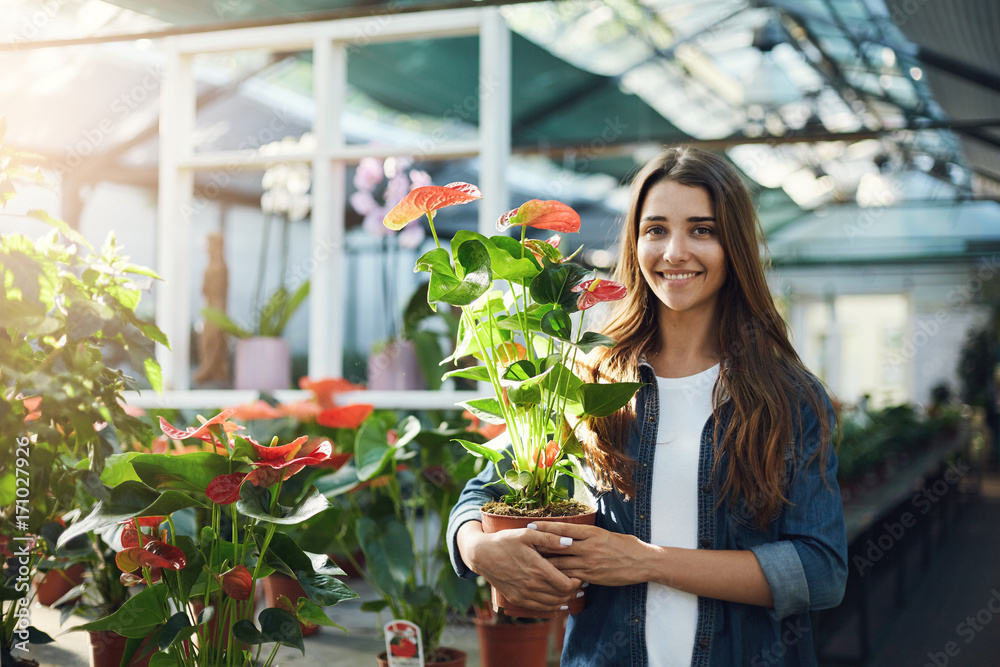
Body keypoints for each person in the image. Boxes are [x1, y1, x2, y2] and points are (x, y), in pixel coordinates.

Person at [446, 146, 847, 666]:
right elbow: (481, 495)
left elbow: (820, 571)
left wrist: (646, 562)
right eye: (655, 230)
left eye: (702, 230)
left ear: (735, 245)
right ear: (634, 243)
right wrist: (478, 550)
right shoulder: (589, 377)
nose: (674, 252)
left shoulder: (788, 397)